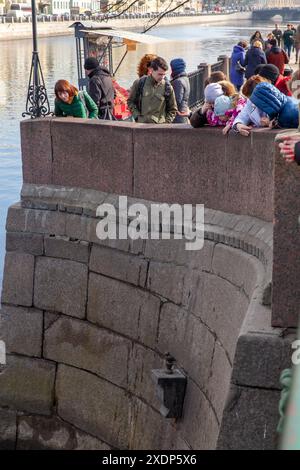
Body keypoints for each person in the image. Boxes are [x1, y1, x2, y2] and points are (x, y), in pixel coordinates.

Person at [127, 56, 178, 124]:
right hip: (141, 127)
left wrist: (166, 123)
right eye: (160, 74)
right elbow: (130, 102)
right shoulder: (139, 83)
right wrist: (137, 116)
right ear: (151, 70)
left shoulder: (167, 87)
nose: (162, 77)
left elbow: (173, 110)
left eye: (164, 75)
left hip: (159, 129)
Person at [170, 58, 190, 124]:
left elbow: (177, 100)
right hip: (184, 113)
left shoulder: (178, 81)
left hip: (178, 116)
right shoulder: (185, 78)